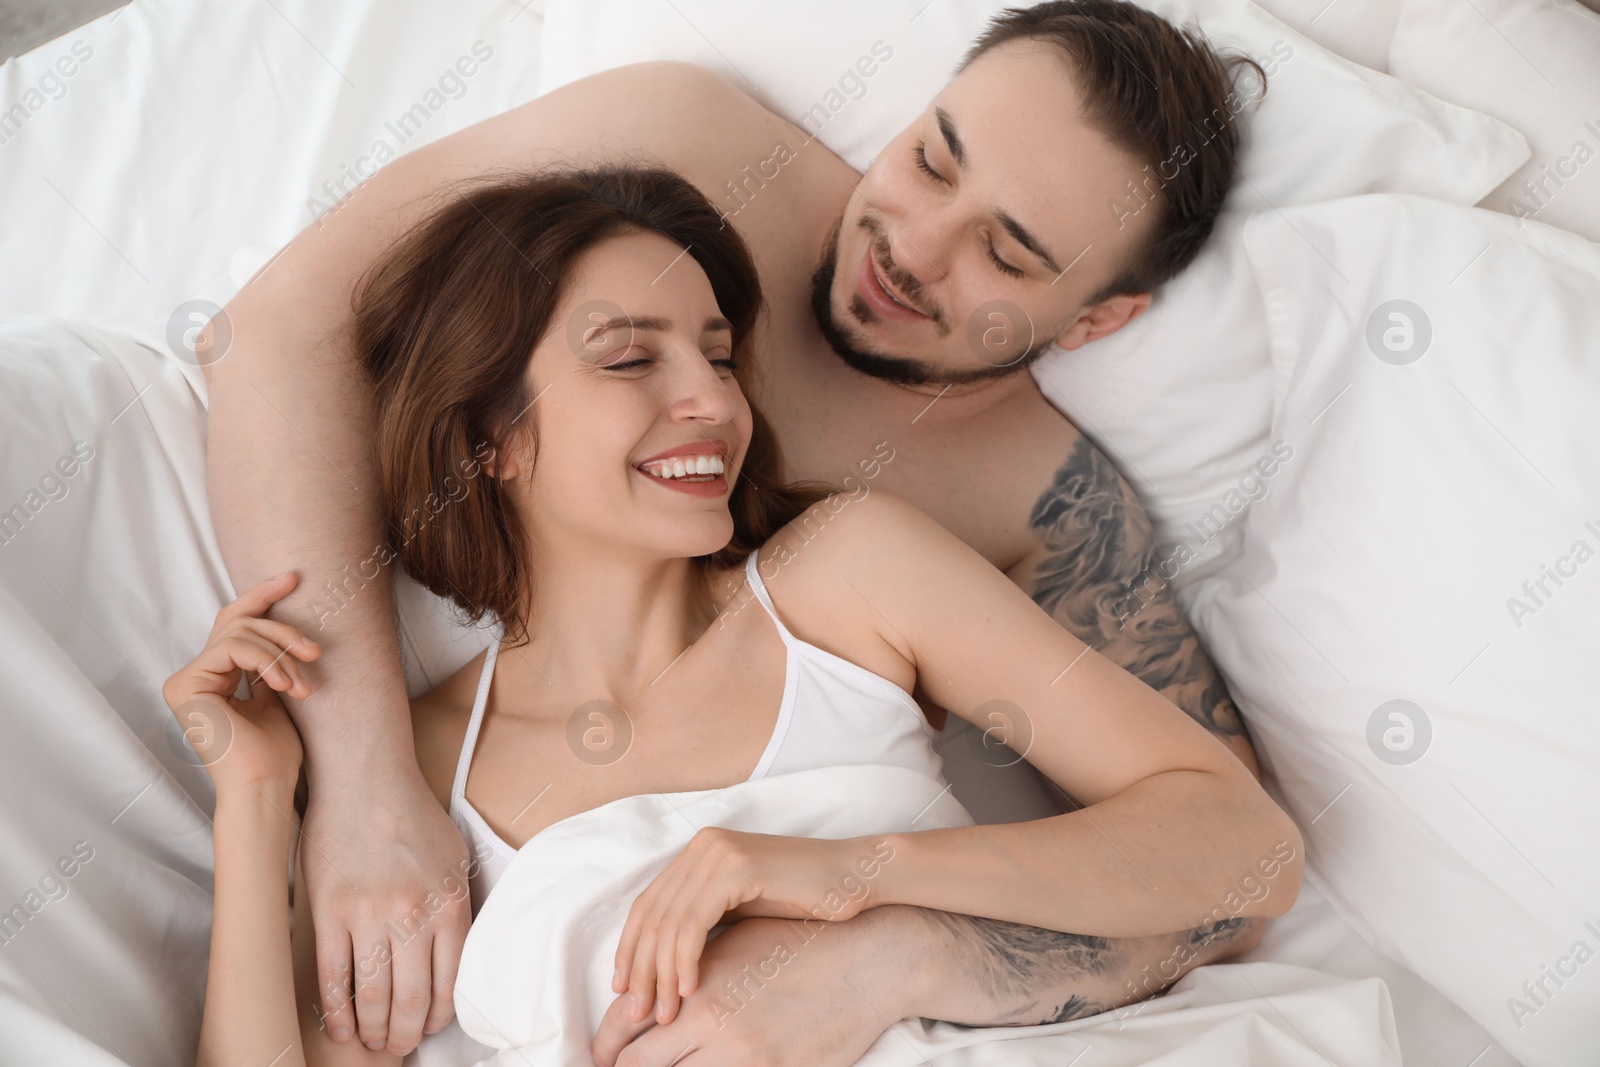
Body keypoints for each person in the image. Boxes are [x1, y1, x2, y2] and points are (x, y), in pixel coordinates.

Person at [200, 1, 1272, 1060]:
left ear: (1093, 321)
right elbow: (273, 328)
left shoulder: (1021, 507)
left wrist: (884, 946)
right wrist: (350, 787)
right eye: (932, 162)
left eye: (1006, 252)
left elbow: (1230, 877)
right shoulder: (679, 146)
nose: (911, 246)